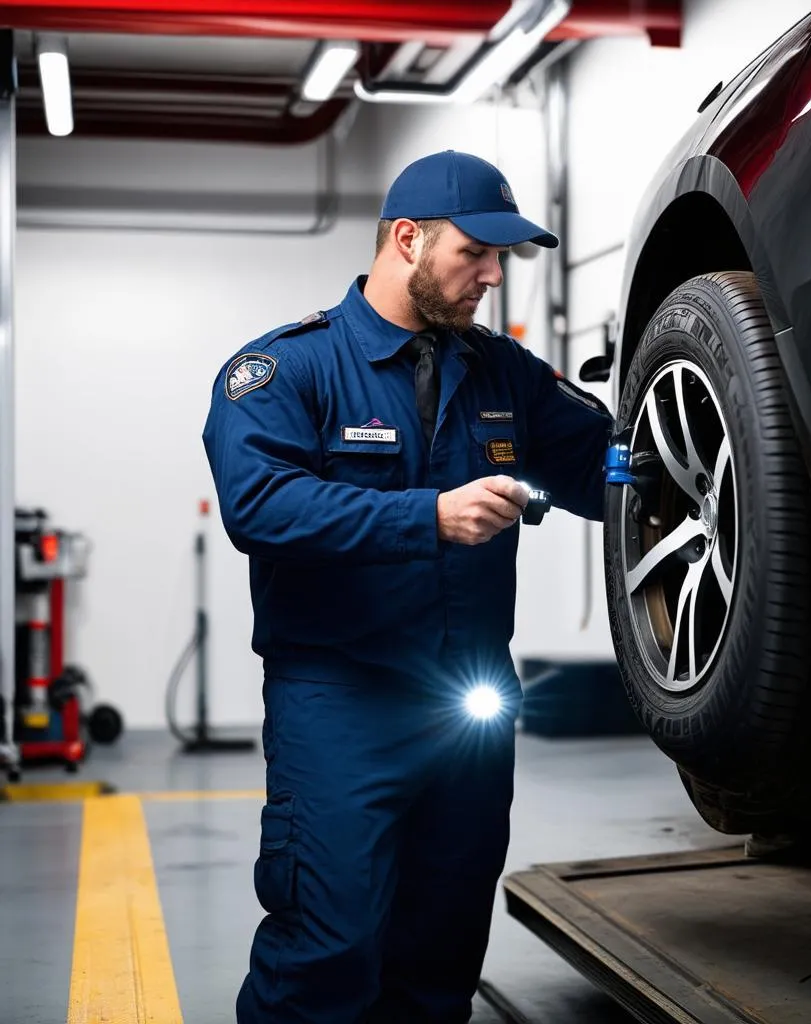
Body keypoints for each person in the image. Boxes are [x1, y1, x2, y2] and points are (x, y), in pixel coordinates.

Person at [202, 149, 614, 1024]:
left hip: (468, 703)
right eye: (477, 253)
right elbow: (261, 506)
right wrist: (426, 517)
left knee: (443, 942)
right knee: (329, 943)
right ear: (407, 240)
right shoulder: (287, 370)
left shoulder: (501, 371)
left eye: (503, 258)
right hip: (340, 699)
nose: (495, 276)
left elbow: (602, 467)